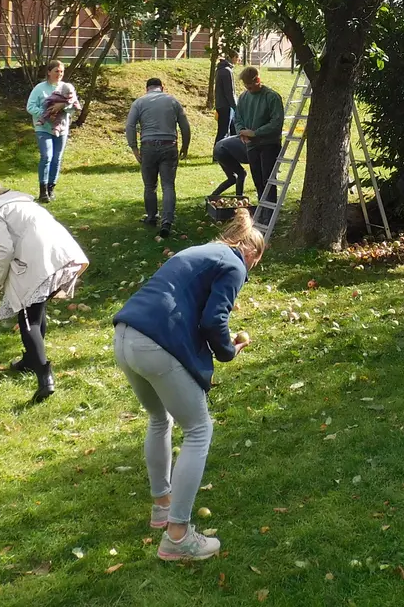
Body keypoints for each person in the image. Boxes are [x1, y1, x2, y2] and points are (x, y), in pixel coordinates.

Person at [111, 209, 265, 563]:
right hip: (154, 344)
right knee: (198, 430)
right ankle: (178, 536)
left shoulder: (199, 251)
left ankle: (162, 507)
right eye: (256, 262)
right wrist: (228, 352)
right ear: (251, 252)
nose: (251, 271)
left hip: (125, 336)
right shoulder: (235, 263)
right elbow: (214, 319)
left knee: (158, 419)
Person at [0, 176, 89, 403]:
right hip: (60, 254)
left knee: (27, 319)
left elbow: (4, 251)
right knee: (36, 311)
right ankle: (30, 360)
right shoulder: (21, 202)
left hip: (38, 261)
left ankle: (45, 377)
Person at [125, 77, 192, 236]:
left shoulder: (139, 103)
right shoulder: (172, 101)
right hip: (169, 145)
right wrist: (185, 145)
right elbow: (184, 125)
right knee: (168, 185)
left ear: (146, 88)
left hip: (148, 146)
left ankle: (151, 216)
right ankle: (167, 221)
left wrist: (134, 147)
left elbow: (130, 125)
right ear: (163, 87)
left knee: (150, 186)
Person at [26, 60, 80, 203]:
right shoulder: (39, 88)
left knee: (57, 158)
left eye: (61, 71)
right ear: (49, 72)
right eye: (56, 71)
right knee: (46, 156)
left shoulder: (67, 87)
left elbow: (74, 106)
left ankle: (51, 189)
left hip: (61, 129)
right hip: (43, 128)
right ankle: (42, 191)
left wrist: (62, 106)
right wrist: (46, 113)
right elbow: (30, 107)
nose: (59, 74)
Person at [234, 67, 285, 204]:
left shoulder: (272, 97)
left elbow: (276, 123)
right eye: (246, 86)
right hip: (251, 145)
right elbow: (237, 119)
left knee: (268, 180)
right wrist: (242, 131)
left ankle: (270, 213)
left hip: (269, 144)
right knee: (257, 180)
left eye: (250, 86)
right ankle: (261, 210)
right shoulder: (243, 97)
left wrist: (256, 133)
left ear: (258, 80)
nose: (248, 89)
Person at [210, 134, 250, 200]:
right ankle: (239, 199)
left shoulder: (247, 140)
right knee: (241, 173)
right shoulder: (250, 145)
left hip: (218, 148)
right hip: (223, 150)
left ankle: (213, 196)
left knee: (232, 179)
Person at [213, 54, 236, 144]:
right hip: (226, 105)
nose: (239, 60)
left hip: (220, 104)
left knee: (228, 130)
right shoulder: (227, 71)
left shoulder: (219, 70)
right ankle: (218, 154)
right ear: (233, 57)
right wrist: (235, 106)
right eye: (237, 57)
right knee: (223, 132)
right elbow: (229, 92)